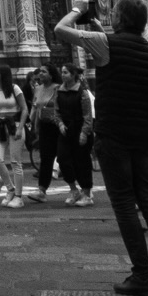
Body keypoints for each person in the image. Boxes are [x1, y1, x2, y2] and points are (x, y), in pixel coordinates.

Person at [54, 0, 148, 296]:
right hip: (141, 136)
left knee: (124, 204)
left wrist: (77, 10)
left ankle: (142, 276)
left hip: (114, 137)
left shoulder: (106, 44)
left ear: (120, 19)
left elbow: (60, 30)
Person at [54, 63, 95, 205]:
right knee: (63, 159)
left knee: (82, 162)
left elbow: (87, 115)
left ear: (73, 75)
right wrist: (59, 124)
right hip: (65, 130)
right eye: (62, 72)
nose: (63, 75)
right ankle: (73, 189)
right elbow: (56, 111)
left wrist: (84, 133)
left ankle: (87, 193)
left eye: (65, 72)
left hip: (79, 129)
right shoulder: (59, 91)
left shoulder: (82, 92)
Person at [0, 64, 26, 206]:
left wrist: (20, 128)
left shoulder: (15, 89)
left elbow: (24, 108)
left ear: (3, 74)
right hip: (1, 126)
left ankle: (18, 197)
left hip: (14, 125)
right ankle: (10, 188)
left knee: (16, 161)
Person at [25, 67, 62, 202]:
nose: (40, 74)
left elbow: (62, 106)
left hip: (58, 126)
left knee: (64, 158)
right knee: (45, 158)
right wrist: (32, 124)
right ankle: (41, 190)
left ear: (51, 75)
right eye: (40, 71)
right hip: (44, 127)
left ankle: (79, 189)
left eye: (44, 71)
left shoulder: (59, 88)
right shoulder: (38, 88)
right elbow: (35, 107)